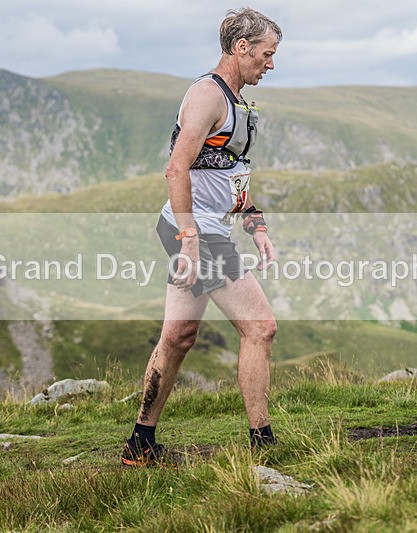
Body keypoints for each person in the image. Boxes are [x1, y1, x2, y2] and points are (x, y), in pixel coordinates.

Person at [121, 7, 283, 467]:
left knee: (178, 336)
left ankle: (140, 443)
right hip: (195, 233)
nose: (270, 65)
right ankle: (262, 442)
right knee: (261, 327)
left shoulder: (235, 100)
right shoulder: (207, 96)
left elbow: (227, 173)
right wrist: (189, 237)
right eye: (267, 55)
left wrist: (254, 221)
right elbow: (176, 166)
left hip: (203, 229)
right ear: (241, 47)